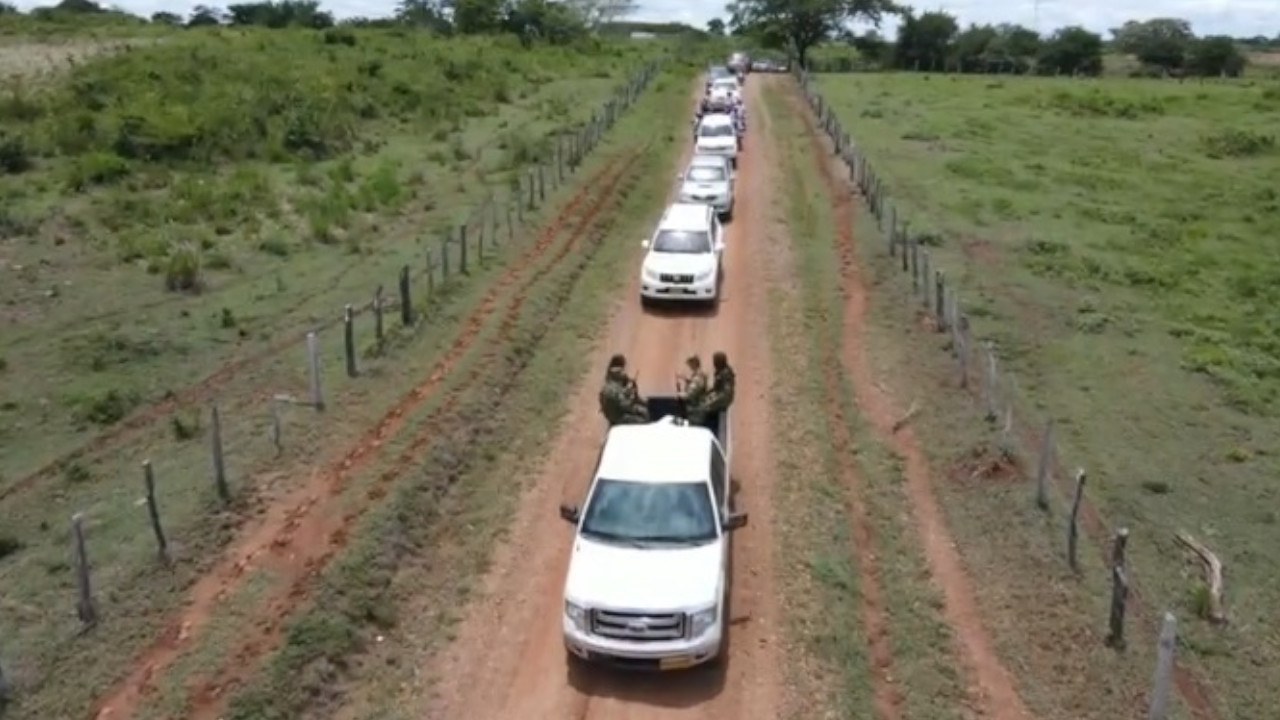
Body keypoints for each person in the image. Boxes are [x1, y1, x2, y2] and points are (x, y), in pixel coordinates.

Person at [599, 354, 648, 425]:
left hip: (613, 413)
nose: (623, 372)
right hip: (619, 415)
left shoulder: (609, 383)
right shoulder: (614, 388)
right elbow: (625, 405)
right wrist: (631, 396)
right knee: (644, 419)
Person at [698, 351, 735, 416]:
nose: (714, 363)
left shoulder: (725, 373)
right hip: (722, 395)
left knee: (703, 407)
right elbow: (716, 387)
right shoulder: (722, 371)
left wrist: (709, 398)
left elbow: (723, 391)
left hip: (723, 397)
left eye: (715, 361)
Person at [677, 355, 710, 422]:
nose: (689, 366)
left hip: (696, 411)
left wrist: (681, 394)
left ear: (694, 363)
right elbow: (693, 383)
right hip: (696, 409)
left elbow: (692, 393)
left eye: (690, 363)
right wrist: (685, 379)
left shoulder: (699, 376)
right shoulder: (698, 374)